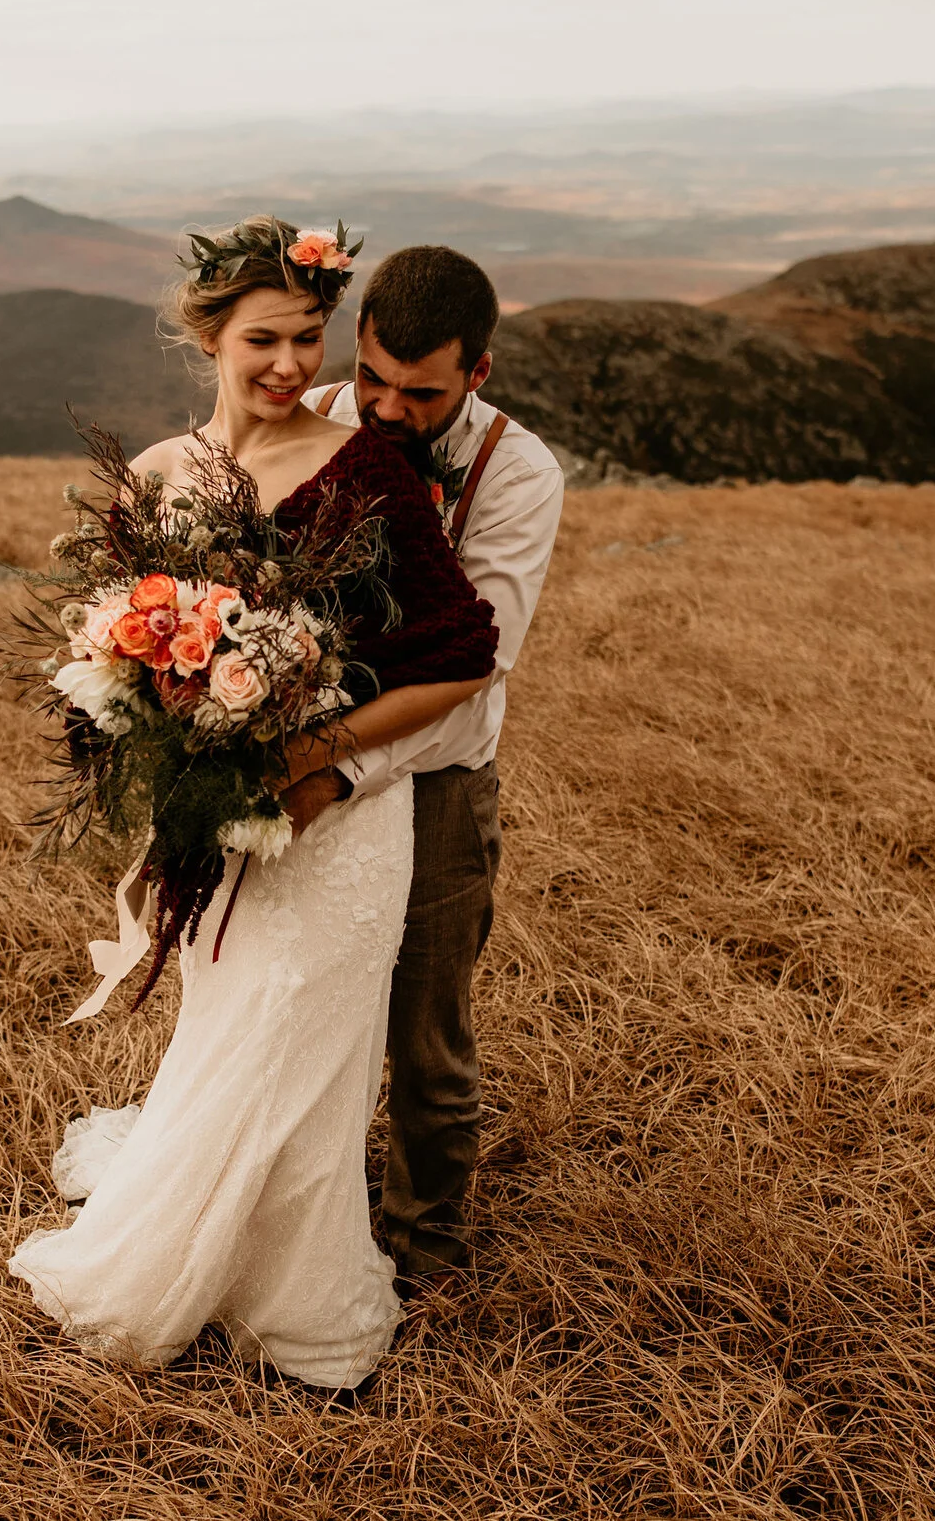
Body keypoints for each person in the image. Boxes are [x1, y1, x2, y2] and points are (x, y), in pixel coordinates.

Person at [8, 216, 500, 1388]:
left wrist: (311, 747)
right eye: (264, 339)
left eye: (307, 338)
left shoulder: (365, 466)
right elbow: (115, 648)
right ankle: (196, 1237)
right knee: (228, 1023)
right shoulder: (158, 476)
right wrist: (148, 718)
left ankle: (292, 1272)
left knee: (306, 1042)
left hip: (336, 822)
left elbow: (463, 652)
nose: (290, 366)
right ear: (209, 338)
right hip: (217, 809)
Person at [293, 246, 564, 1285]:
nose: (385, 409)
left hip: (438, 781)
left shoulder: (519, 472)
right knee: (298, 1000)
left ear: (478, 374)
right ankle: (298, 1216)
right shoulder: (313, 411)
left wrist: (332, 764)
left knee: (427, 1030)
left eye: (420, 392)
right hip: (297, 753)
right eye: (371, 379)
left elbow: (474, 672)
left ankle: (425, 1245)